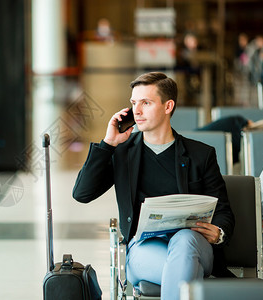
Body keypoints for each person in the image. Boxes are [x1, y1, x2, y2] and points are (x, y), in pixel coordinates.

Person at [72, 72, 235, 300]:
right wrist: (108, 144)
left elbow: (224, 211)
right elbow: (82, 193)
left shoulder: (201, 155)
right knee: (187, 269)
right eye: (133, 103)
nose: (136, 111)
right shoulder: (122, 152)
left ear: (168, 106)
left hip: (194, 243)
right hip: (144, 248)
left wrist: (219, 233)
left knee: (185, 242)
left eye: (146, 103)